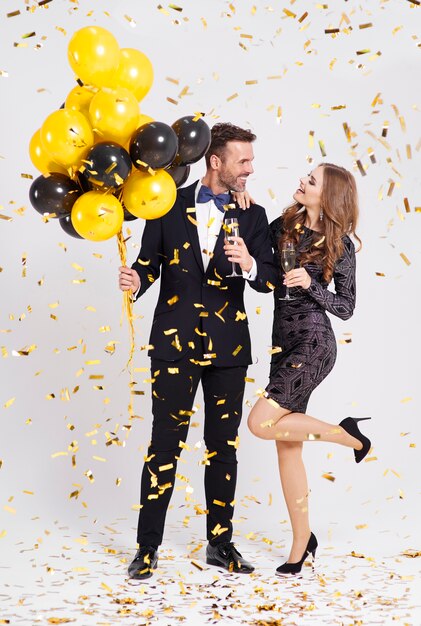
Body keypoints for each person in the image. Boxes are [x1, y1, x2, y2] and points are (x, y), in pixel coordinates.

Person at [119, 123, 278, 580]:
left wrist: (248, 262)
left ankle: (220, 543)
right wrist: (136, 281)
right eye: (242, 161)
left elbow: (267, 280)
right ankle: (147, 547)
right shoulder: (165, 205)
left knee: (221, 448)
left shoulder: (254, 214)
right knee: (163, 446)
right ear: (216, 161)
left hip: (229, 350)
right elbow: (148, 263)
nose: (250, 168)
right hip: (172, 347)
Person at [247, 162, 371, 575]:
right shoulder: (282, 224)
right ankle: (302, 540)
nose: (302, 181)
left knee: (260, 424)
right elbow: (257, 270)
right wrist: (241, 210)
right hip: (282, 345)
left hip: (314, 345)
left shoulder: (341, 246)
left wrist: (311, 286)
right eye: (306, 176)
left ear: (328, 195)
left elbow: (347, 307)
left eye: (311, 180)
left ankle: (347, 436)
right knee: (286, 445)